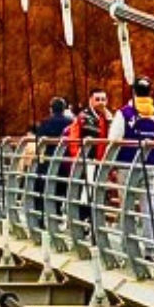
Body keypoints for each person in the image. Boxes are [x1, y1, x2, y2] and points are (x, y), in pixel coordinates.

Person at [109, 77, 154, 251]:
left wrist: (111, 164)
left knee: (126, 205)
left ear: (133, 92)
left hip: (127, 165)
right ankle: (150, 246)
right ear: (151, 93)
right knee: (149, 206)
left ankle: (128, 246)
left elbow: (114, 139)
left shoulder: (124, 113)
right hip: (150, 166)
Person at [65, 87, 113, 227]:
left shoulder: (106, 117)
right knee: (86, 193)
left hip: (101, 161)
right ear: (91, 100)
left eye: (103, 99)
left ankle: (93, 222)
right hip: (87, 161)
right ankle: (84, 222)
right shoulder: (82, 117)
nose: (101, 102)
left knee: (97, 192)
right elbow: (73, 139)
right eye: (97, 99)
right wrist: (79, 159)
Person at [33, 97, 74, 215]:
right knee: (65, 188)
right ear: (64, 109)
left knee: (46, 188)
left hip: (49, 161)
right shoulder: (71, 122)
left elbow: (39, 142)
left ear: (51, 109)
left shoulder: (45, 122)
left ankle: (45, 216)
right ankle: (63, 214)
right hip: (66, 161)